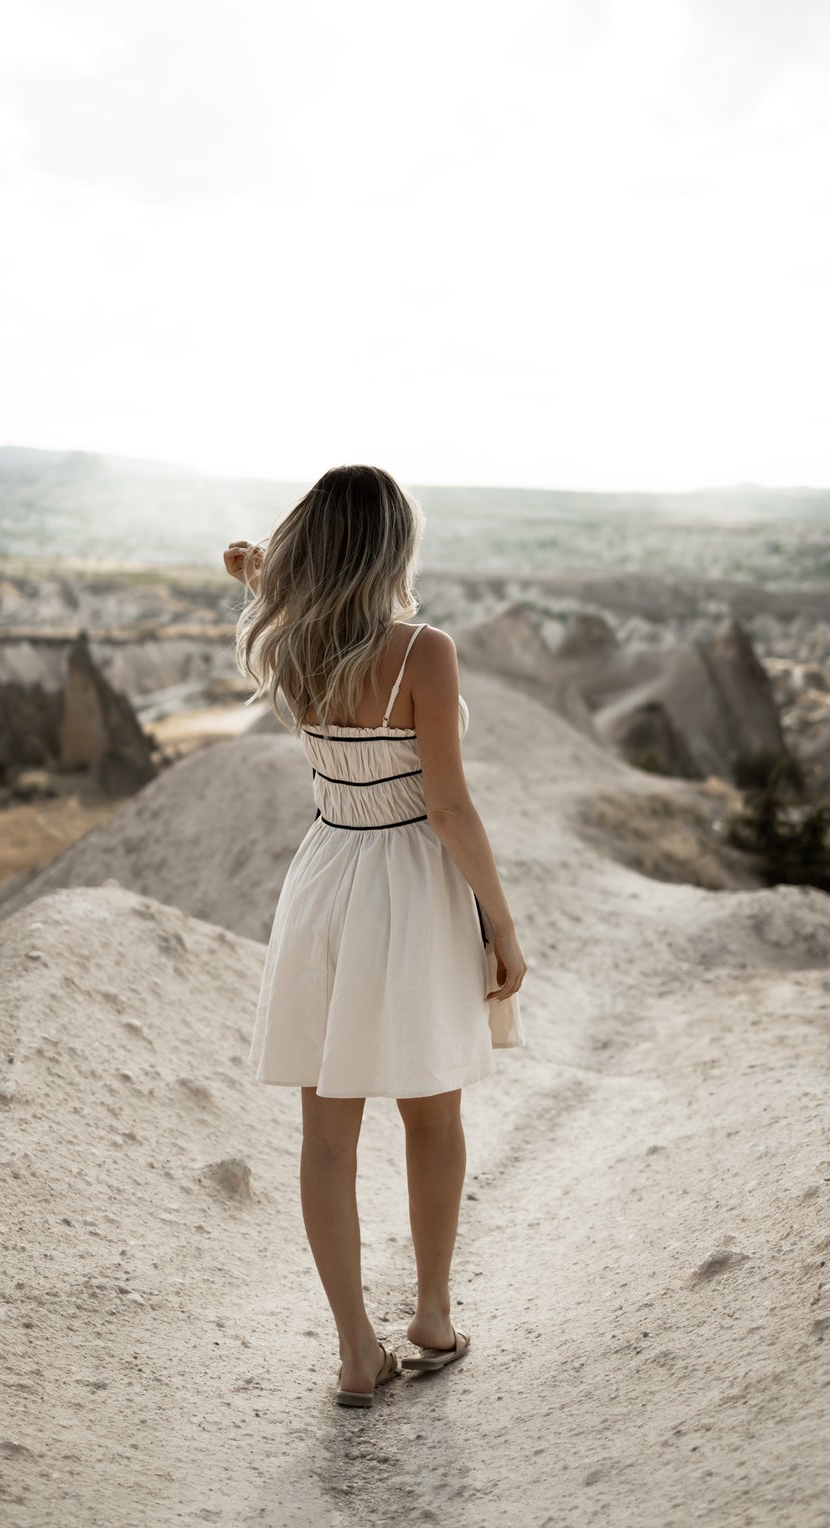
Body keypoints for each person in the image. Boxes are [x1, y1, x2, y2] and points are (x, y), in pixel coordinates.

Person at [224, 464, 527, 1408]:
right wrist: (501, 922)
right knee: (431, 1114)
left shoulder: (293, 641)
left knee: (326, 1136)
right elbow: (447, 804)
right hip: (410, 883)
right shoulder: (421, 651)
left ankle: (356, 1351)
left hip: (325, 877)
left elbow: (262, 573)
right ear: (395, 547)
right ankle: (432, 1319)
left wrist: (260, 570)